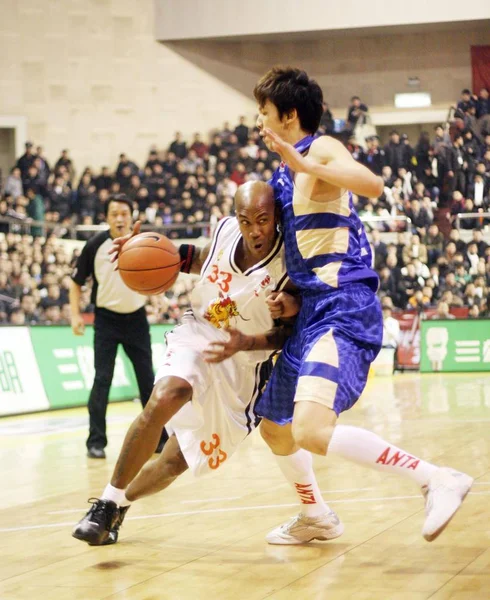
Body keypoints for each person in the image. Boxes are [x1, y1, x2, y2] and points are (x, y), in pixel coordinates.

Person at [229, 66, 472, 544]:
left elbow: (370, 183)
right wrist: (291, 297)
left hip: (342, 307)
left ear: (289, 114)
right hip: (312, 312)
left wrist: (309, 168)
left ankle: (435, 478)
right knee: (276, 428)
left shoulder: (316, 150)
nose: (259, 120)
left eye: (264, 111)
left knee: (312, 430)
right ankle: (316, 515)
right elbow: (305, 247)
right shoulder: (283, 171)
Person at [72, 181, 342, 546]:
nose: (254, 229)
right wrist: (141, 251)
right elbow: (200, 258)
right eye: (246, 220)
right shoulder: (226, 232)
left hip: (246, 366)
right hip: (202, 330)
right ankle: (105, 502)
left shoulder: (289, 264)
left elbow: (286, 335)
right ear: (235, 218)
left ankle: (121, 505)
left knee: (175, 461)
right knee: (166, 395)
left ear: (276, 218)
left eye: (263, 220)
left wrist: (250, 340)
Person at [70, 193, 168, 459]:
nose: (120, 218)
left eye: (124, 213)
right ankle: (96, 441)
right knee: (102, 379)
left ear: (132, 216)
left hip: (136, 318)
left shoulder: (143, 243)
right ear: (106, 217)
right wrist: (75, 314)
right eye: (114, 214)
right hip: (106, 321)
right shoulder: (94, 245)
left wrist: (159, 298)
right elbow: (76, 282)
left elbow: (158, 274)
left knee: (148, 379)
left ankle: (160, 438)